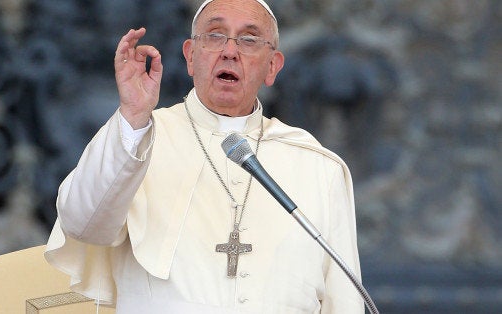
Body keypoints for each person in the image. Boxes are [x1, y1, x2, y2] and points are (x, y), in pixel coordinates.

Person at [45, 0, 364, 313]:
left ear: (272, 66)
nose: (229, 50)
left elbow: (344, 299)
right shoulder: (139, 137)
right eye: (214, 35)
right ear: (190, 56)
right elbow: (82, 224)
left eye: (249, 39)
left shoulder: (317, 166)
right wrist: (132, 115)